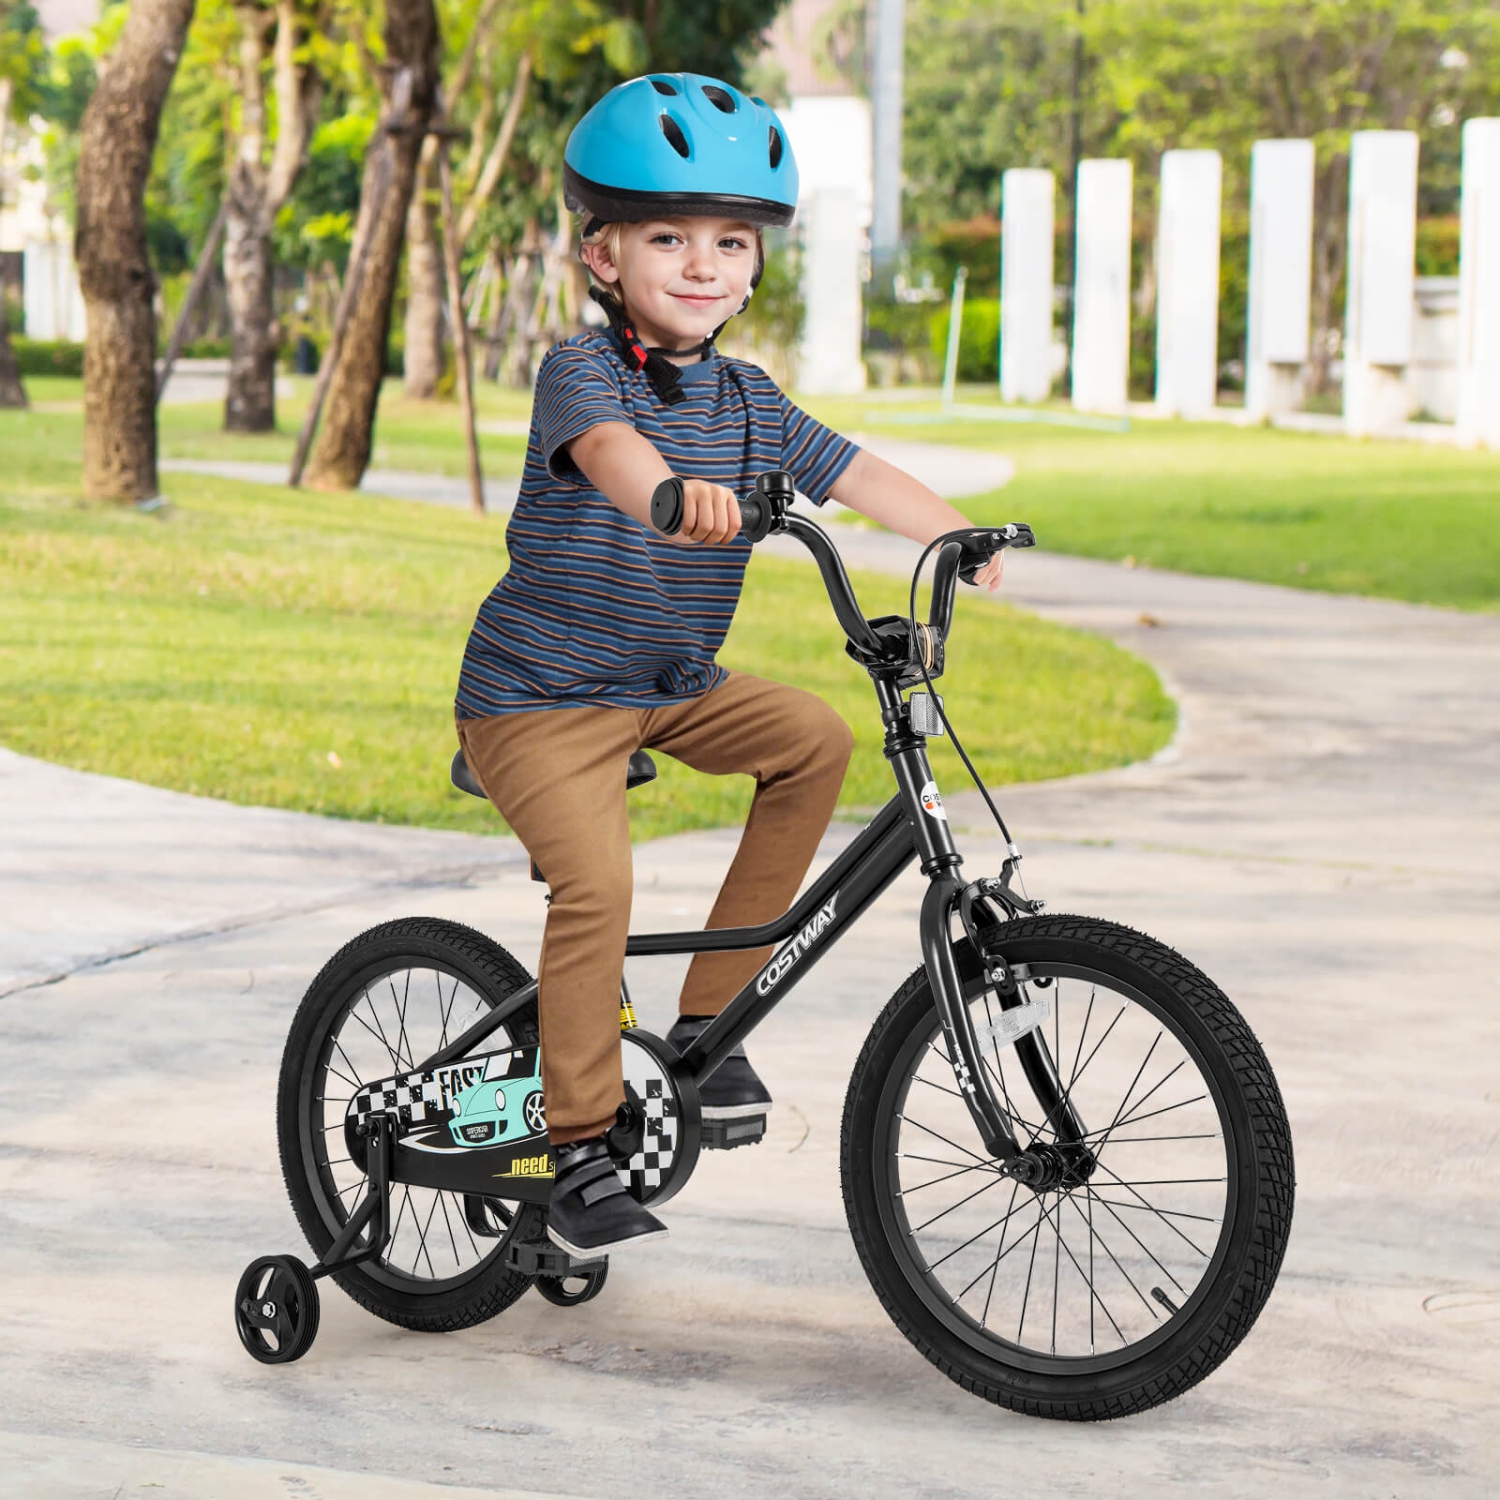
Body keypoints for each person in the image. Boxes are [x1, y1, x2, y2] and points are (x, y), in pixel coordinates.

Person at [454, 72, 1005, 1261]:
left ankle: (711, 1020)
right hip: (538, 700)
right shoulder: (582, 373)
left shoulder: (751, 399)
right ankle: (576, 1139)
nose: (703, 264)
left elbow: (854, 470)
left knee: (815, 739)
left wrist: (955, 533)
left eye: (731, 242)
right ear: (603, 255)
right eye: (669, 238)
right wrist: (666, 492)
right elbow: (610, 452)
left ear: (756, 265)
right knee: (599, 886)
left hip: (670, 687)